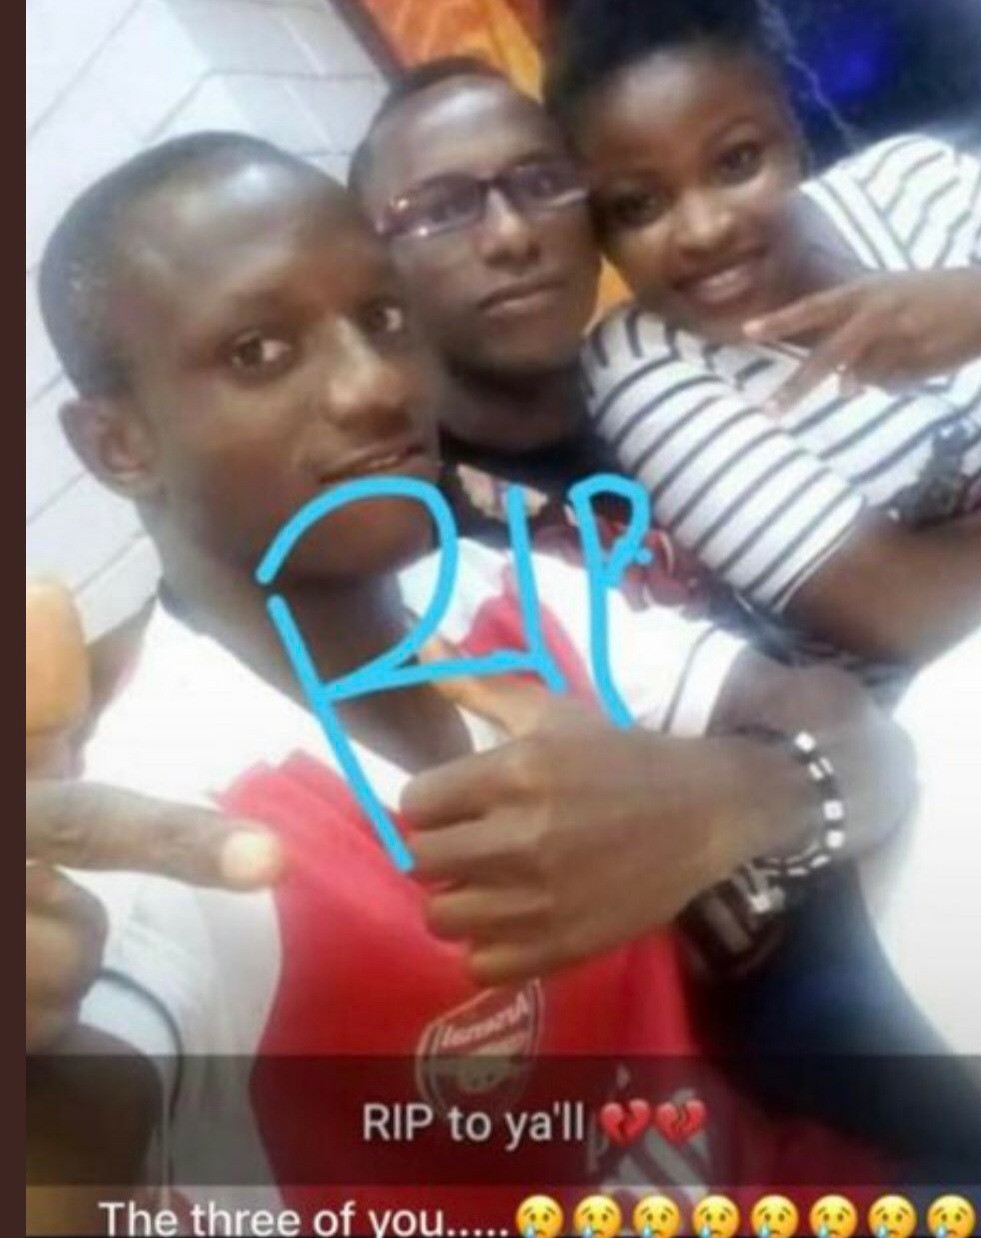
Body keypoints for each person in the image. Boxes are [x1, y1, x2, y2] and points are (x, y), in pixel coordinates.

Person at [28, 134, 916, 1232]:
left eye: (382, 317)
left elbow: (857, 734)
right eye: (259, 351)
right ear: (118, 443)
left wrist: (730, 799)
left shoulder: (498, 593)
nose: (376, 386)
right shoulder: (176, 820)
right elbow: (74, 1145)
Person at [539, 0, 981, 685]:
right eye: (639, 206)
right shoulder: (641, 362)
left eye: (737, 162)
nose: (705, 229)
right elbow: (901, 612)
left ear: (793, 135)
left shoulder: (919, 180)